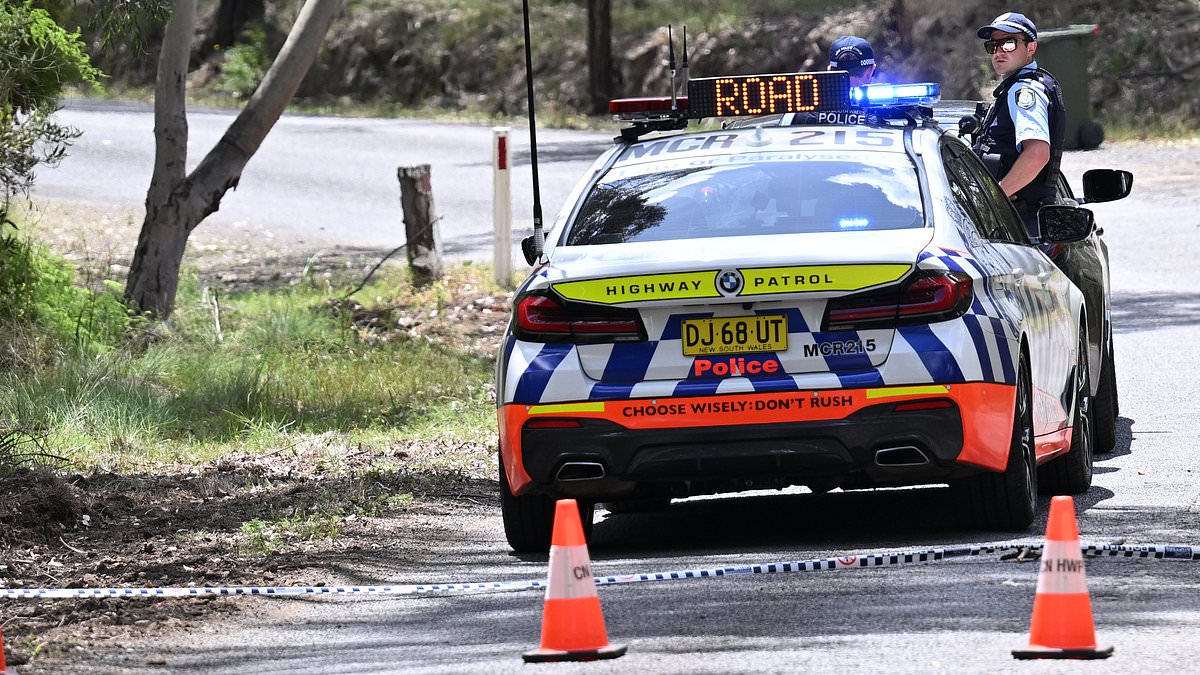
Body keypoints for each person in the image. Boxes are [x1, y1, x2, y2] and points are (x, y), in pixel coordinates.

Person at [971, 11, 1066, 236]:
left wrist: (997, 197)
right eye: (993, 46)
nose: (999, 52)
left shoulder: (1024, 91)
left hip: (1021, 220)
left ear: (1030, 48)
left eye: (1009, 43)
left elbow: (1037, 153)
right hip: (1021, 218)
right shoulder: (1017, 87)